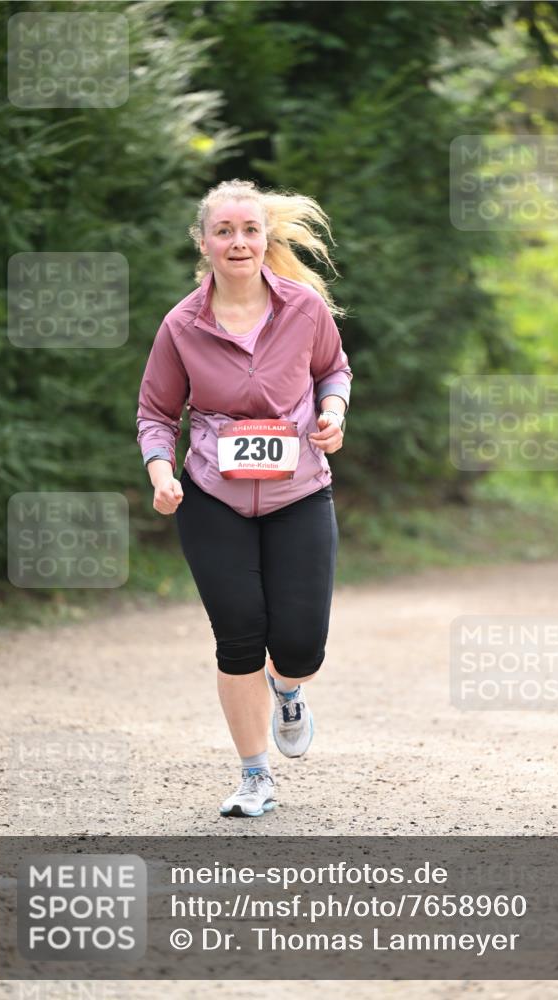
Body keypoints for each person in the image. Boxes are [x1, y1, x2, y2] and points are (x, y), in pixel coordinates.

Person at [136, 178, 352, 817]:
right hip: (212, 499)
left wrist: (333, 411)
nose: (238, 242)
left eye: (250, 230)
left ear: (266, 240)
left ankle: (288, 689)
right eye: (224, 231)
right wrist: (160, 471)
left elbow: (332, 369)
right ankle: (254, 776)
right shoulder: (181, 324)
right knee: (237, 637)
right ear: (204, 243)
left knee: (300, 644)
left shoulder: (303, 309)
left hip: (300, 493)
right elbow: (155, 410)